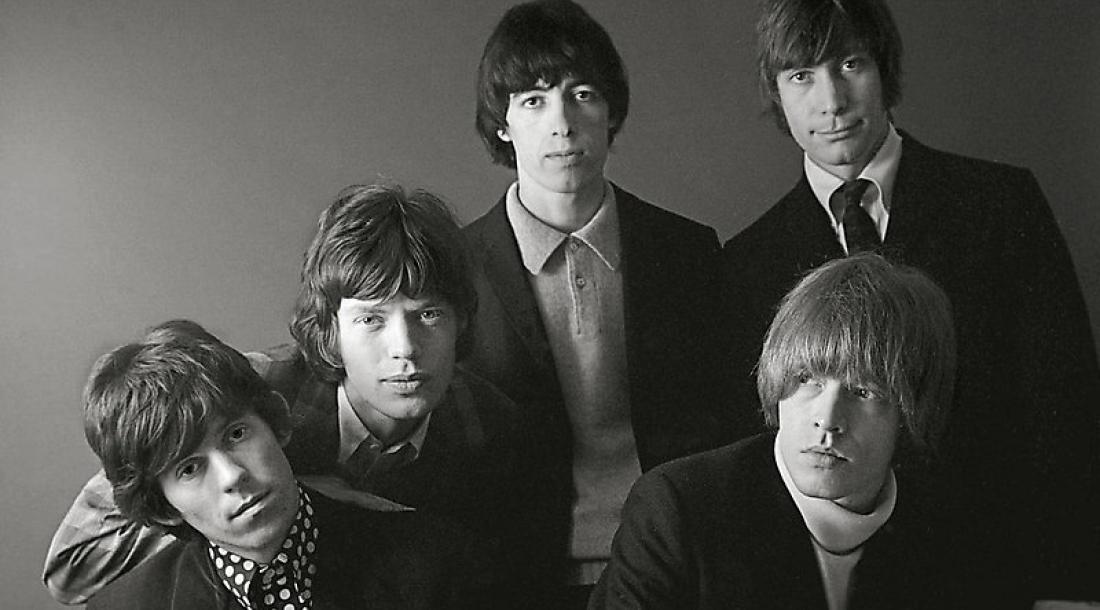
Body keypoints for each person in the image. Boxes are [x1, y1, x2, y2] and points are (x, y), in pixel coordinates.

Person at [721, 0, 1100, 600]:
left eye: (850, 64)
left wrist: (1071, 582)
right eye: (802, 76)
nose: (831, 101)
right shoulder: (746, 262)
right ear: (777, 92)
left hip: (1002, 571)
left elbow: (1068, 405)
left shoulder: (1000, 204)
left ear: (884, 69)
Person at [44, 184, 531, 604]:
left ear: (461, 320)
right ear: (330, 330)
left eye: (428, 314)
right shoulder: (239, 395)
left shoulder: (490, 428)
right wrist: (287, 500)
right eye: (371, 319)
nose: (404, 349)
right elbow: (72, 568)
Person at [463, 1, 732, 605]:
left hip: (670, 561)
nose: (562, 123)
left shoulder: (685, 251)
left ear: (611, 113)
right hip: (513, 576)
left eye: (582, 95)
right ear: (503, 124)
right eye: (534, 100)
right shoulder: (456, 269)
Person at [592, 254, 975, 609]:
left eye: (863, 392)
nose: (827, 419)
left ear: (911, 411)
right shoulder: (677, 511)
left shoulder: (945, 531)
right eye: (807, 379)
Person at [78, 321, 487, 609]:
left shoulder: (434, 560)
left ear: (274, 423)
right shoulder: (124, 606)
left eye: (236, 434)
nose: (233, 475)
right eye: (189, 468)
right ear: (164, 506)